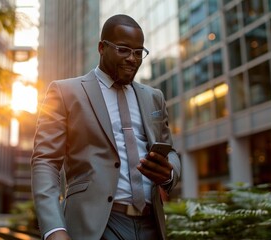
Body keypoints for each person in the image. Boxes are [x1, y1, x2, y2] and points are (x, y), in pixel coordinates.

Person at [31, 14, 181, 240]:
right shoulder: (65, 92)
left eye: (138, 53)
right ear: (102, 47)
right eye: (123, 50)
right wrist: (54, 228)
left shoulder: (154, 97)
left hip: (152, 224)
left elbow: (170, 152)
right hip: (97, 225)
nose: (132, 59)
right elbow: (45, 161)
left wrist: (170, 173)